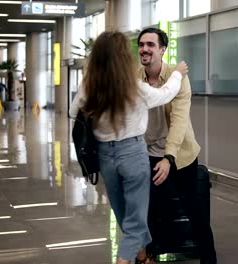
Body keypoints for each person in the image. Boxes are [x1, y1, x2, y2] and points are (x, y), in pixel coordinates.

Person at [69, 31, 188, 264]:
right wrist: (176, 74)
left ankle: (142, 256)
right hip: (132, 153)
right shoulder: (132, 86)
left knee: (123, 212)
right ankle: (125, 260)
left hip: (105, 156)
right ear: (122, 57)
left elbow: (74, 113)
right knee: (135, 217)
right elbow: (165, 95)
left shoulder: (89, 85)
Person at [137, 28, 217, 264]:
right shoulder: (134, 77)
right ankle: (148, 257)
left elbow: (180, 120)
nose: (144, 49)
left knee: (195, 212)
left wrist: (168, 158)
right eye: (141, 44)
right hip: (148, 155)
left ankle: (209, 258)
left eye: (151, 45)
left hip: (180, 156)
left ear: (162, 49)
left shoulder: (177, 75)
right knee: (149, 213)